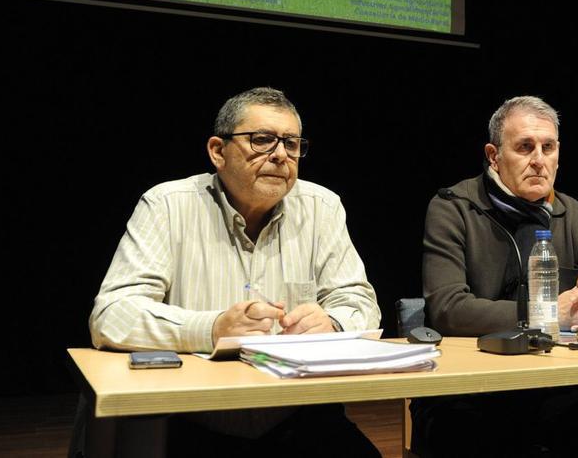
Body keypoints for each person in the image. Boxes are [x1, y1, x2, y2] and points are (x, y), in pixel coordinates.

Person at [89, 87, 381, 456]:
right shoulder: (166, 205)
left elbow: (359, 300)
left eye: (291, 144)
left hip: (299, 416)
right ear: (217, 151)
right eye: (262, 141)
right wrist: (211, 329)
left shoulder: (323, 207)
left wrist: (334, 323)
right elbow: (112, 314)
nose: (280, 155)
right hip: (193, 419)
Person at [414, 95, 578, 457]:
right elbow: (447, 308)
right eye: (525, 147)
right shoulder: (453, 207)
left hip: (553, 385)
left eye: (548, 147)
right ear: (493, 155)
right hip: (470, 389)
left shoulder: (574, 215)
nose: (539, 160)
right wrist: (549, 313)